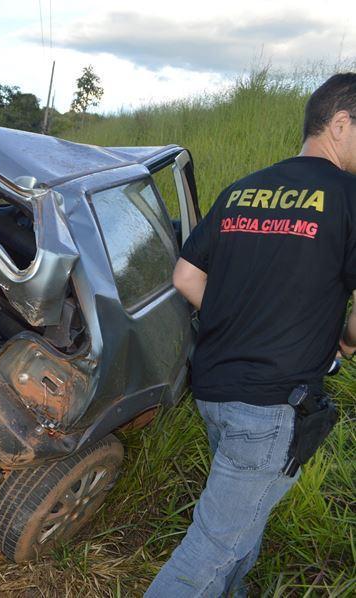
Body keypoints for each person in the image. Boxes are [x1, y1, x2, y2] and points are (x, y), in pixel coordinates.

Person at [146, 73, 356, 597]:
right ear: (339, 123)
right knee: (208, 553)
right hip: (270, 405)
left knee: (241, 526)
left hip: (214, 390)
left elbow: (186, 277)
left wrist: (246, 317)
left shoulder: (244, 189)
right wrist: (347, 340)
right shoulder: (350, 198)